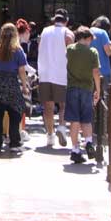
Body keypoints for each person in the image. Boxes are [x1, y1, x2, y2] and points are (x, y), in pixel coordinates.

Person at [0, 23, 30, 153]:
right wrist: (24, 86)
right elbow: (22, 70)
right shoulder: (17, 50)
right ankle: (14, 142)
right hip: (11, 83)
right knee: (15, 113)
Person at [65, 26, 101, 163]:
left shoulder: (70, 50)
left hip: (72, 88)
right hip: (87, 88)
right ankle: (88, 142)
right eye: (91, 39)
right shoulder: (92, 52)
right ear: (86, 38)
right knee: (86, 119)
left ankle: (75, 150)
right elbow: (96, 72)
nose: (91, 42)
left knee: (74, 120)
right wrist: (98, 89)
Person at [38, 12, 74, 148]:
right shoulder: (67, 33)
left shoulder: (44, 31)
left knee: (48, 106)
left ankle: (50, 135)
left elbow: (40, 45)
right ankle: (62, 128)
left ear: (54, 20)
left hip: (45, 73)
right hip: (62, 73)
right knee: (63, 105)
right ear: (66, 21)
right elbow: (72, 51)